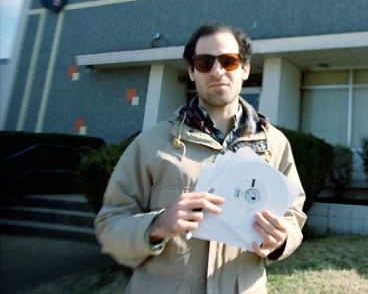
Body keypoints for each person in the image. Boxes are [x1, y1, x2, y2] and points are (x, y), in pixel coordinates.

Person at [95, 22, 306, 294]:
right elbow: (109, 226)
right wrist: (157, 225)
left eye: (228, 61)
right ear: (192, 72)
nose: (217, 71)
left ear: (244, 69)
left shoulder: (275, 144)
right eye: (205, 62)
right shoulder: (150, 144)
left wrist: (282, 239)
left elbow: (294, 214)